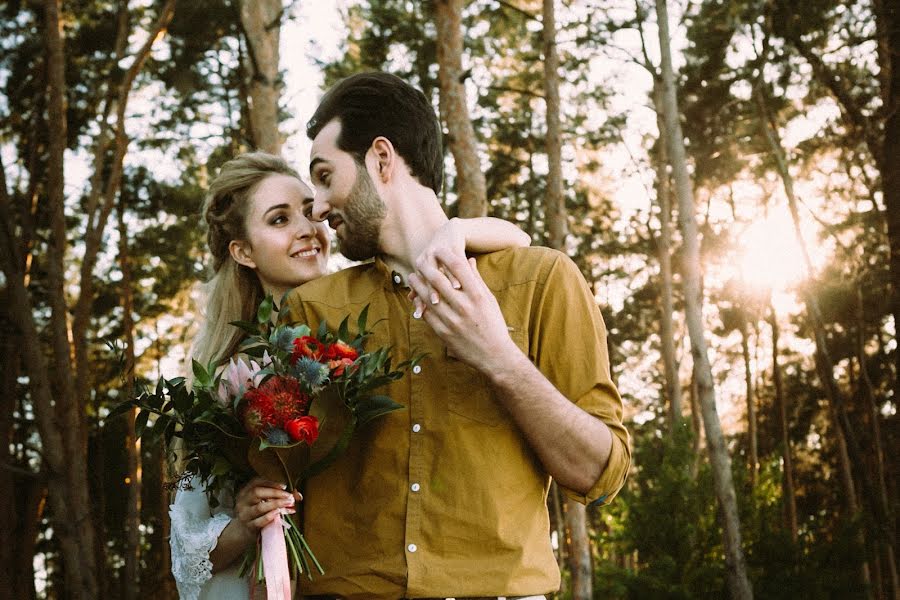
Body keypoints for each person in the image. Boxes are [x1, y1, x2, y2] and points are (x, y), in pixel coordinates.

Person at [281, 72, 631, 600]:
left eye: (326, 176)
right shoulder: (310, 309)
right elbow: (279, 482)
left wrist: (499, 358)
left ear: (382, 159)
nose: (321, 207)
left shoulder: (542, 281)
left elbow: (597, 472)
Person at [168, 151, 532, 600]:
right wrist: (246, 523)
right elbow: (189, 549)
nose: (307, 227)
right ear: (243, 251)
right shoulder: (229, 378)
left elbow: (519, 237)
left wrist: (455, 231)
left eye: (308, 210)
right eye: (280, 220)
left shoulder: (364, 326)